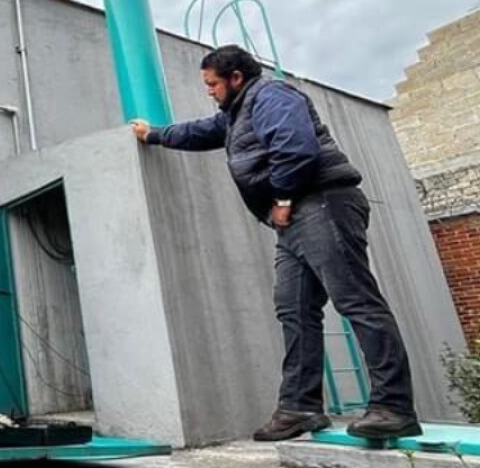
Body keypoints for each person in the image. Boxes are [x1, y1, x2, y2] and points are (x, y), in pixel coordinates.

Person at [131, 45, 422, 442]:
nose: (209, 91)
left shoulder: (272, 95)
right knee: (294, 309)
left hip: (321, 202)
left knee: (356, 299)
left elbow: (296, 148)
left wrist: (283, 199)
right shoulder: (236, 115)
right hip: (295, 217)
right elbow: (200, 131)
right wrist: (153, 135)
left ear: (236, 78)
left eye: (213, 83)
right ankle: (300, 407)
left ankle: (394, 407)